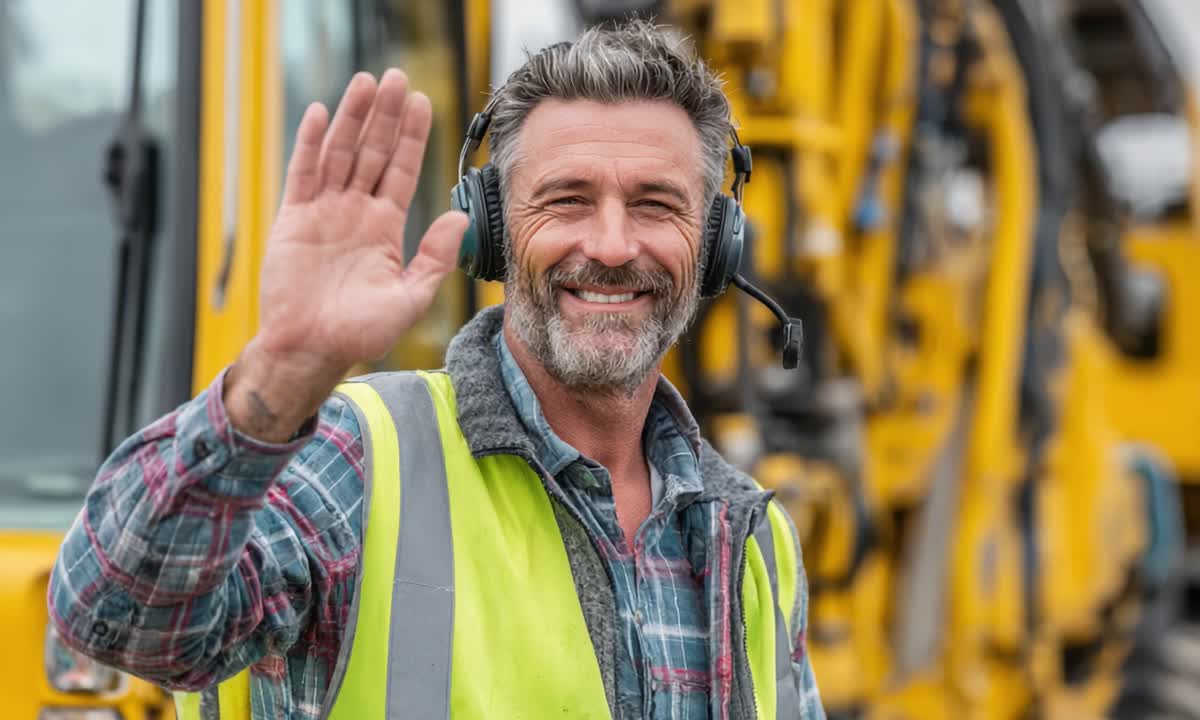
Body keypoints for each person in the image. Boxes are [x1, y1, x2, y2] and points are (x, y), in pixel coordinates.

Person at [49, 19, 824, 720]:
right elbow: (115, 615)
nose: (614, 245)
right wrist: (282, 372)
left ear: (718, 240)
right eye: (566, 201)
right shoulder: (361, 463)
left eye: (657, 204)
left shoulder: (753, 542)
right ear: (491, 227)